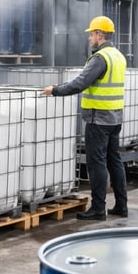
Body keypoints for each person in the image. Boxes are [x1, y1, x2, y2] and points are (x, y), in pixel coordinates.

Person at [43, 15, 128, 220]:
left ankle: (98, 208)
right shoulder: (118, 56)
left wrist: (55, 90)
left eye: (91, 34)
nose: (89, 38)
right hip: (115, 117)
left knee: (96, 164)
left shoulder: (100, 58)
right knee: (114, 162)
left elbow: (80, 83)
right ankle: (121, 206)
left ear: (99, 34)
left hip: (98, 118)